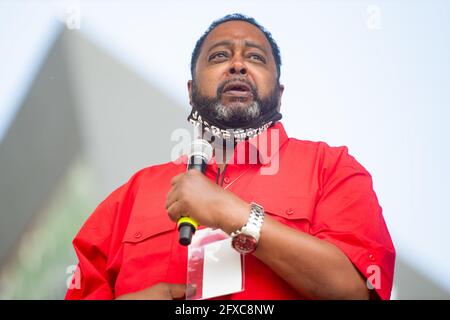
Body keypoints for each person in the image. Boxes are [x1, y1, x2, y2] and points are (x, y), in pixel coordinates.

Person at [65, 13, 395, 300]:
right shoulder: (132, 195)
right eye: (220, 55)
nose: (237, 64)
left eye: (255, 58)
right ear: (191, 93)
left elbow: (354, 290)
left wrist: (231, 213)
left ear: (279, 95)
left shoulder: (331, 169)